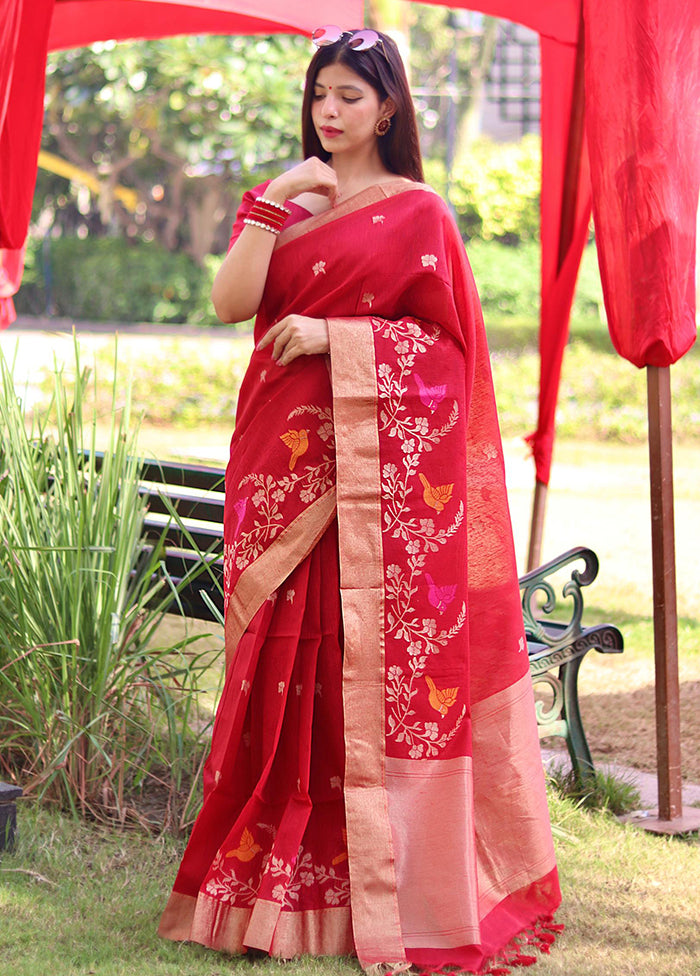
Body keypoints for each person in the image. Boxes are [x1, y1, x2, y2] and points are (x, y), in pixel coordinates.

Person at [159, 26, 562, 974]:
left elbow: (454, 364)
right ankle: (264, 891)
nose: (329, 113)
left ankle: (369, 892)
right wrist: (269, 206)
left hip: (373, 495)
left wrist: (337, 339)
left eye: (349, 96)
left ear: (389, 108)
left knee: (359, 681)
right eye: (319, 96)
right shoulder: (283, 204)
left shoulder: (420, 215)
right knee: (276, 675)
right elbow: (228, 303)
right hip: (280, 474)